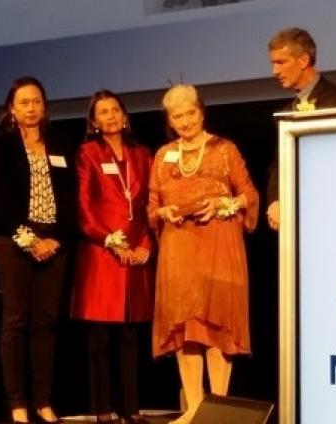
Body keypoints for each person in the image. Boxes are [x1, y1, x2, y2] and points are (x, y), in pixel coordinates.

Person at [148, 84, 259, 424]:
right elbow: (152, 204)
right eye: (177, 115)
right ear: (170, 120)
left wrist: (224, 203)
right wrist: (162, 213)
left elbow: (249, 195)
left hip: (218, 243)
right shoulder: (163, 155)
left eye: (190, 113)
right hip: (178, 247)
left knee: (215, 327)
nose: (184, 121)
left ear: (201, 112)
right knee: (186, 329)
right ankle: (195, 409)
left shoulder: (224, 149)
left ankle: (218, 409)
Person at [0, 76, 75, 424]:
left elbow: (70, 199)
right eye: (24, 102)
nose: (31, 108)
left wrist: (56, 239)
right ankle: (17, 403)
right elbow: (2, 199)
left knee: (45, 323)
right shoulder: (1, 144)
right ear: (12, 108)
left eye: (37, 101)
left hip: (54, 242)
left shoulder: (61, 144)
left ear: (45, 106)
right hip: (13, 241)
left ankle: (43, 400)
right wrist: (29, 239)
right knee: (15, 321)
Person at [71, 90, 153, 424]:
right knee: (100, 341)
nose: (110, 116)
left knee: (131, 338)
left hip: (136, 256)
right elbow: (83, 207)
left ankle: (131, 409)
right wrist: (109, 240)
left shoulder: (142, 153)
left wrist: (146, 243)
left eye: (115, 110)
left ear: (125, 116)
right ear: (94, 121)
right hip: (102, 256)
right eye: (102, 112)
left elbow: (151, 203)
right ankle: (103, 410)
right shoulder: (87, 153)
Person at [265, 27, 336, 230]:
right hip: (296, 215)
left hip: (332, 210)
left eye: (281, 62)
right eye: (273, 63)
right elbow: (279, 164)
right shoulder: (286, 112)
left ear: (303, 61)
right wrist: (275, 200)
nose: (274, 71)